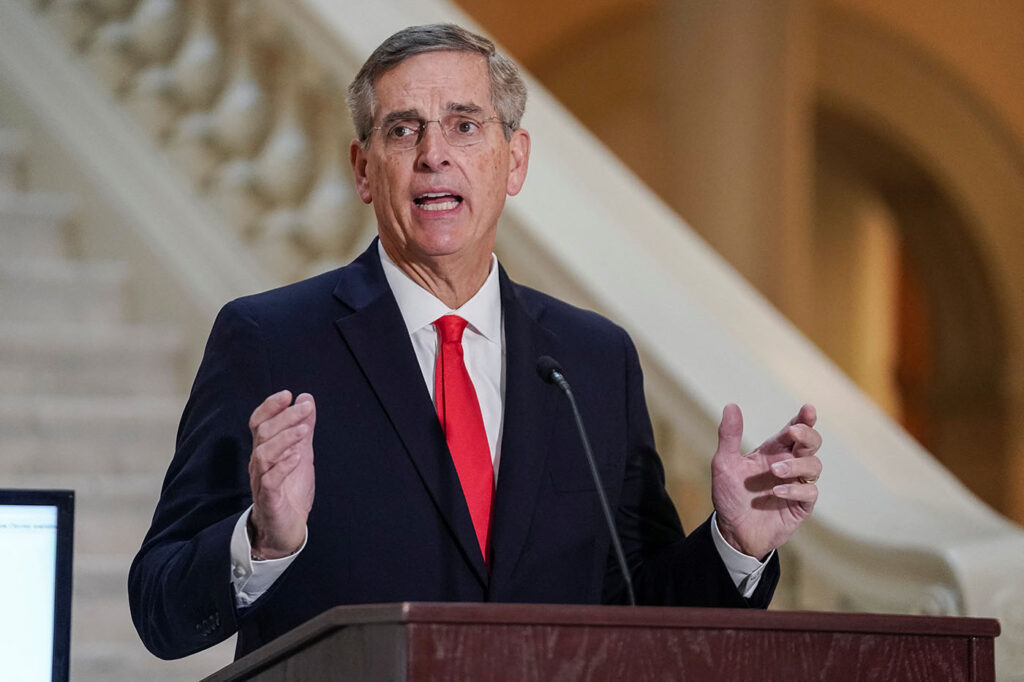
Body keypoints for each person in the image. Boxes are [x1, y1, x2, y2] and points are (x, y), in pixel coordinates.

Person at [129, 23, 822, 661]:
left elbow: (639, 612)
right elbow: (160, 608)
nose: (434, 155)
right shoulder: (269, 339)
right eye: (403, 132)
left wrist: (734, 544)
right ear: (364, 170)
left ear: (513, 162)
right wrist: (262, 540)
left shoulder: (593, 360)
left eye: (465, 126)